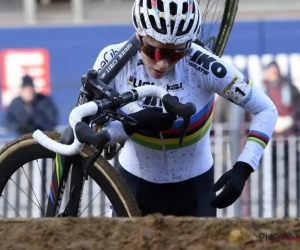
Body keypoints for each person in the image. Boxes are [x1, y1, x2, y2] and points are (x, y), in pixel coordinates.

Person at [92, 0, 278, 217]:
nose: (162, 64)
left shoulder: (204, 65)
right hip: (134, 185)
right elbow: (92, 130)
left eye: (175, 53)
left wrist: (244, 168)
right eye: (153, 51)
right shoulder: (112, 59)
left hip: (195, 191)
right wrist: (132, 126)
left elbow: (266, 109)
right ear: (139, 36)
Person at [260, 61, 300, 216]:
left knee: (293, 176)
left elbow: (297, 107)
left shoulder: (289, 89)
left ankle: (294, 211)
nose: (274, 75)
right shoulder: (260, 90)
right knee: (271, 179)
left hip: (288, 142)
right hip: (268, 144)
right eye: (271, 72)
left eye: (276, 72)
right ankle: (274, 211)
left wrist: (289, 120)